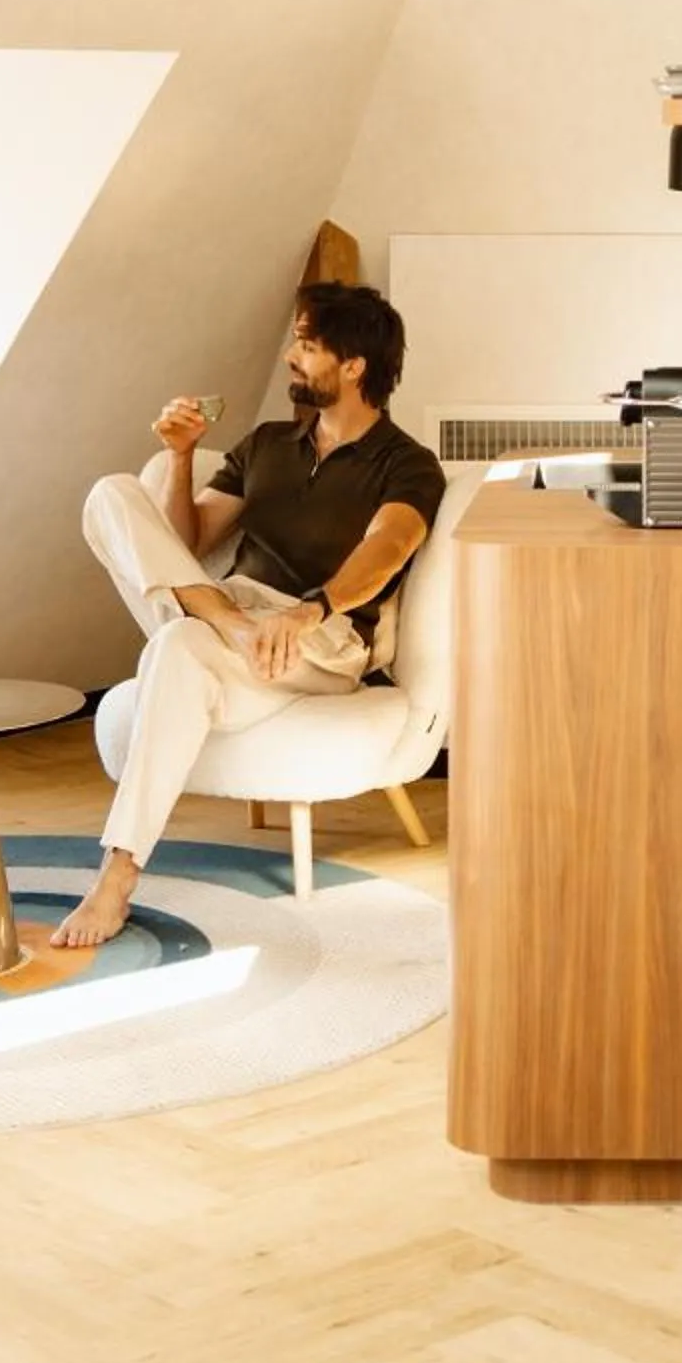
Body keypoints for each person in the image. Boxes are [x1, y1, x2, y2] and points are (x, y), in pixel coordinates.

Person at [56, 282, 446, 948]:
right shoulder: (266, 443)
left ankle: (115, 878)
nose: (291, 356)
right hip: (233, 623)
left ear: (354, 366)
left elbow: (385, 552)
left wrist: (309, 611)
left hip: (318, 641)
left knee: (182, 638)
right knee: (114, 495)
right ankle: (119, 873)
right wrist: (180, 458)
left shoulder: (406, 464)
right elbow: (187, 545)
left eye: (307, 344)